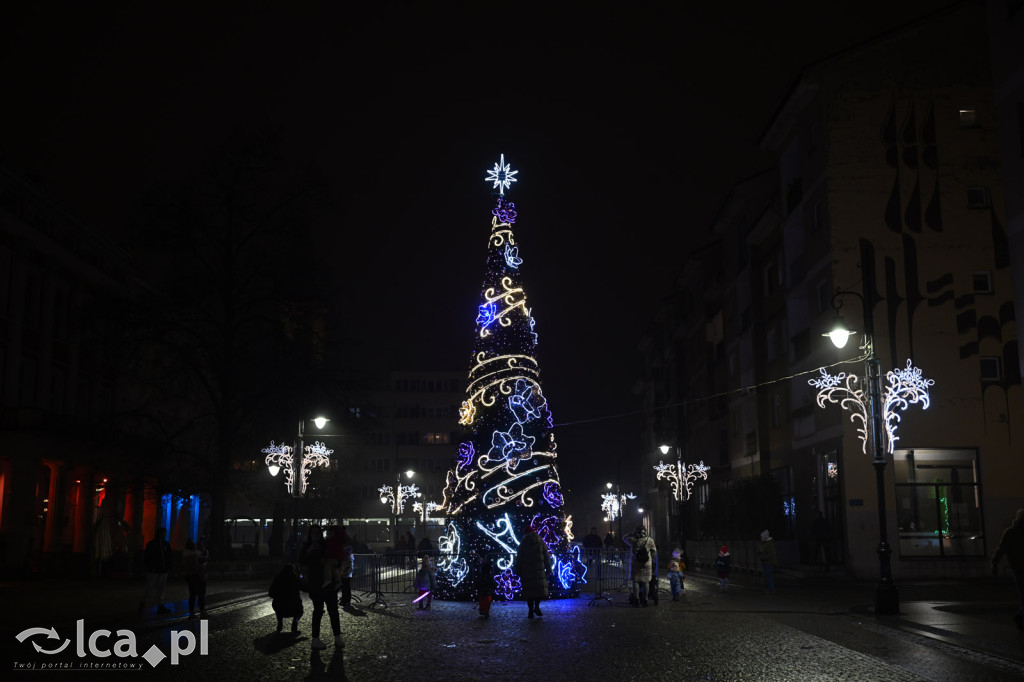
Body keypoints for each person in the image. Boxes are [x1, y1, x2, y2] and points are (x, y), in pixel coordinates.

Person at [300, 525, 342, 650]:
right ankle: (316, 638)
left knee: (333, 610)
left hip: (327, 583)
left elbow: (335, 557)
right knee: (318, 611)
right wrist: (309, 552)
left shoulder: (326, 545)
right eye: (313, 532)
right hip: (315, 583)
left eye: (317, 532)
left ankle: (337, 636)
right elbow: (302, 562)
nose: (315, 535)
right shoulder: (306, 546)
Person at [992, 508, 1024, 630]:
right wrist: (994, 563)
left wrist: (995, 563)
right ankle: (1019, 615)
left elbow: (1000, 550)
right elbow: (1001, 549)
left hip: (1017, 567)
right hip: (1018, 568)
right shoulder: (1011, 533)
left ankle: (1020, 615)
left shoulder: (1011, 532)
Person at [513, 524, 551, 618]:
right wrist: (548, 569)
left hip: (527, 571)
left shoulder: (523, 543)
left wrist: (517, 570)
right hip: (539, 570)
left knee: (529, 591)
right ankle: (537, 607)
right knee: (539, 590)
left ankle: (530, 611)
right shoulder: (540, 541)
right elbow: (546, 556)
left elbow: (519, 558)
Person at [138, 527, 173, 615]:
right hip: (154, 570)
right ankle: (143, 603)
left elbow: (169, 557)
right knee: (149, 587)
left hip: (162, 570)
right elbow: (148, 557)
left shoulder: (165, 544)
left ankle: (159, 605)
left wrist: (167, 568)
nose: (163, 535)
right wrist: (150, 567)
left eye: (164, 533)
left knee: (160, 589)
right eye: (162, 533)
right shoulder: (153, 544)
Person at [625, 525, 657, 607]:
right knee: (646, 581)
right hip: (646, 563)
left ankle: (636, 599)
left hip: (635, 563)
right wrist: (650, 558)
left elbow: (624, 537)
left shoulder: (633, 540)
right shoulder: (649, 540)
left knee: (635, 581)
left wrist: (631, 534)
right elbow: (654, 551)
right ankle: (645, 600)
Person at [268, 564, 304, 634]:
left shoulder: (278, 578)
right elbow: (303, 586)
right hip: (294, 606)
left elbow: (271, 593)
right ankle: (295, 621)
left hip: (280, 607)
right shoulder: (295, 578)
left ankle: (280, 623)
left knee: (278, 607)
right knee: (300, 611)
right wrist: (300, 575)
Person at [182, 537, 210, 619]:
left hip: (190, 575)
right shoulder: (197, 554)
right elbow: (202, 563)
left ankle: (191, 613)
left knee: (192, 594)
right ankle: (202, 612)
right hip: (198, 576)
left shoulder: (185, 554)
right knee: (201, 594)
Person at [758, 529, 778, 593]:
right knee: (767, 575)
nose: (761, 538)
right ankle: (769, 588)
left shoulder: (769, 544)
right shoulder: (765, 543)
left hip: (769, 562)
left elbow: (771, 554)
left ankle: (771, 589)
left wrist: (763, 557)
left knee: (768, 575)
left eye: (762, 537)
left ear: (765, 537)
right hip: (766, 562)